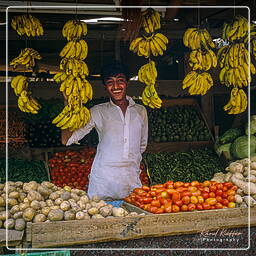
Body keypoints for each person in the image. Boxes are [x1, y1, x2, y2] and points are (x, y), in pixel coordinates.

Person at [61, 61, 148, 200]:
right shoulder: (97, 112)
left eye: (120, 81)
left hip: (131, 181)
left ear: (127, 83)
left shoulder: (140, 111)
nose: (116, 87)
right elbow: (67, 140)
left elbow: (141, 146)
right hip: (103, 183)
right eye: (110, 82)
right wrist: (67, 106)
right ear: (105, 86)